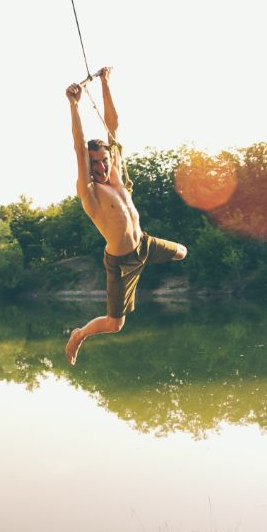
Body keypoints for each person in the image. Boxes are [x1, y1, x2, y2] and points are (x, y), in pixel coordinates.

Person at [64, 67, 186, 365]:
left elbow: (113, 127)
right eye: (95, 164)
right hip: (120, 263)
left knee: (182, 252)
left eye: (104, 161)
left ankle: (149, 275)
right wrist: (74, 105)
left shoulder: (116, 176)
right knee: (115, 324)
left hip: (144, 245)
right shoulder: (90, 191)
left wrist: (105, 83)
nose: (101, 168)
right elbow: (80, 149)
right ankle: (78, 335)